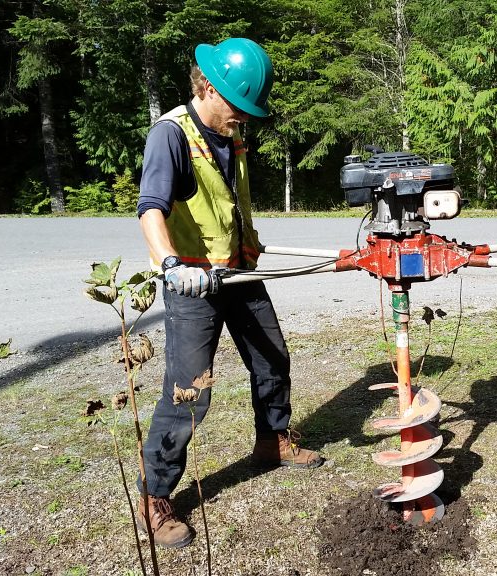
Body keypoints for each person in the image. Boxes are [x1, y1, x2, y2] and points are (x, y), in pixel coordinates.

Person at [135, 37, 324, 549]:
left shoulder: (230, 135)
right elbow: (150, 207)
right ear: (210, 88)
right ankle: (155, 496)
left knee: (272, 358)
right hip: (193, 283)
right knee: (189, 391)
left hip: (238, 273)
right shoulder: (170, 135)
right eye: (240, 107)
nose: (246, 118)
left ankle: (272, 442)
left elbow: (227, 203)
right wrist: (171, 265)